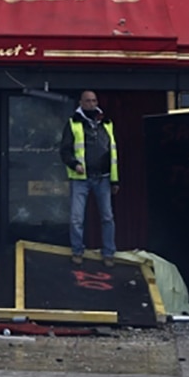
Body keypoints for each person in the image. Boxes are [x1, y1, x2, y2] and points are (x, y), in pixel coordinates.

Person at [59, 90, 119, 267]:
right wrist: (74, 164)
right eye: (88, 101)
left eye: (94, 101)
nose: (91, 104)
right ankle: (77, 250)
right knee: (77, 217)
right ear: (81, 103)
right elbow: (65, 150)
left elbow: (113, 154)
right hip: (81, 177)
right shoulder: (73, 123)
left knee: (107, 217)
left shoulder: (106, 123)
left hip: (103, 177)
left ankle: (108, 253)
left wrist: (115, 180)